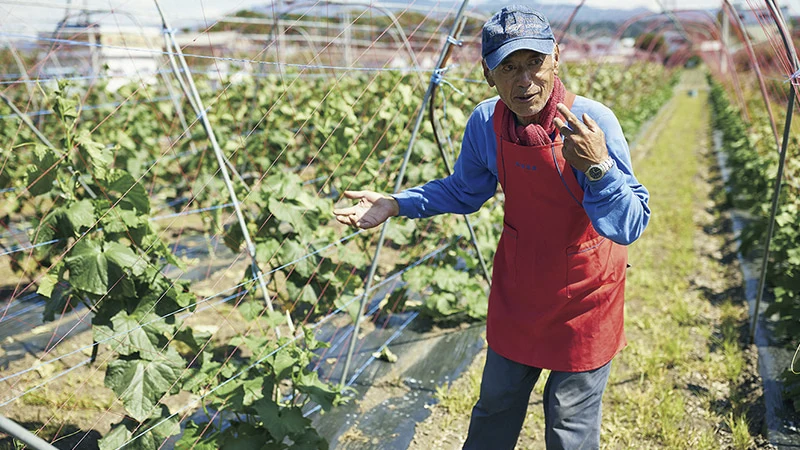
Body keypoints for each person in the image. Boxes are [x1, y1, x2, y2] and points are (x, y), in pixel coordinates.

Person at [333, 4, 650, 449]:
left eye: (535, 62)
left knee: (570, 423)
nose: (524, 80)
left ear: (557, 57)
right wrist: (396, 203)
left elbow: (631, 224)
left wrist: (598, 168)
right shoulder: (486, 122)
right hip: (519, 291)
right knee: (495, 406)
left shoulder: (593, 123)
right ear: (487, 73)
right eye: (508, 66)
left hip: (586, 292)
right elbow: (465, 191)